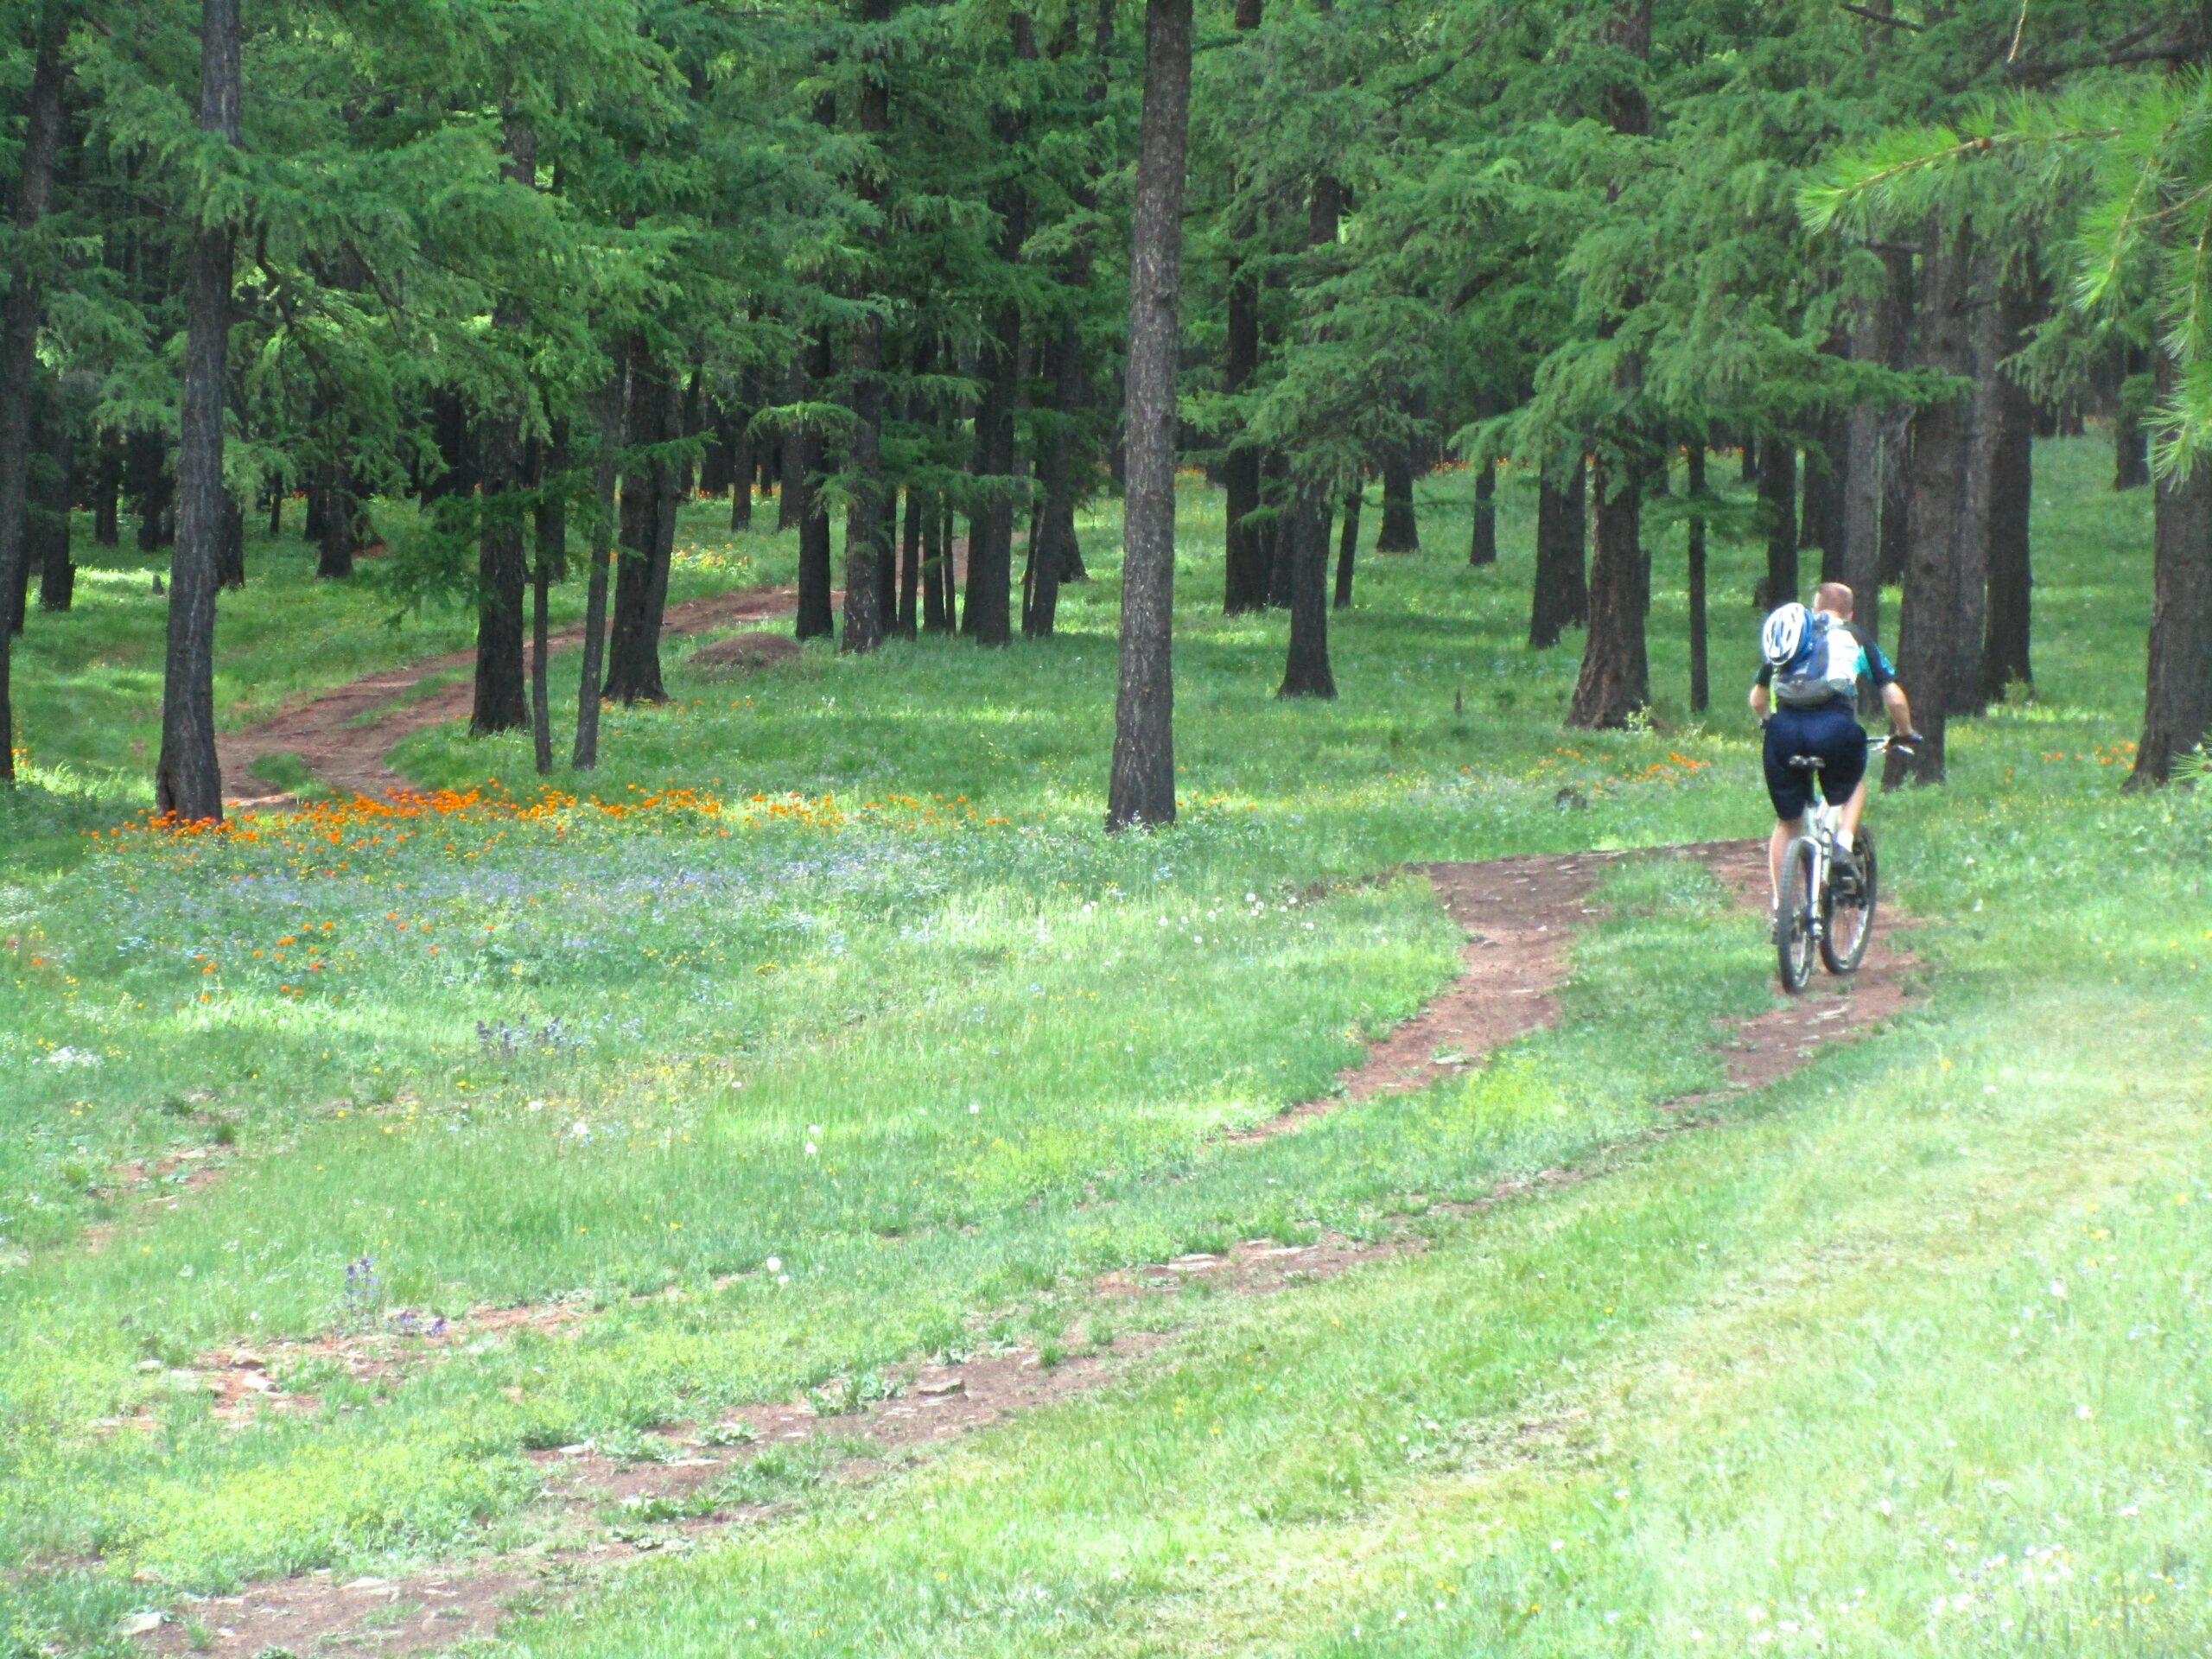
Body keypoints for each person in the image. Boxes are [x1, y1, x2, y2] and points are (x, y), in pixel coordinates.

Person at [1750, 582, 1918, 906]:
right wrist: (1905, 732)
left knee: (1788, 822)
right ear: (1850, 612)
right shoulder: (1855, 636)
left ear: (1814, 608)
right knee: (1854, 780)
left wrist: (1771, 724)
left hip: (1784, 732)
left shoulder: (1791, 633)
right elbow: (1894, 699)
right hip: (1834, 728)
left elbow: (1757, 699)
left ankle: (1781, 909)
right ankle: (1842, 844)